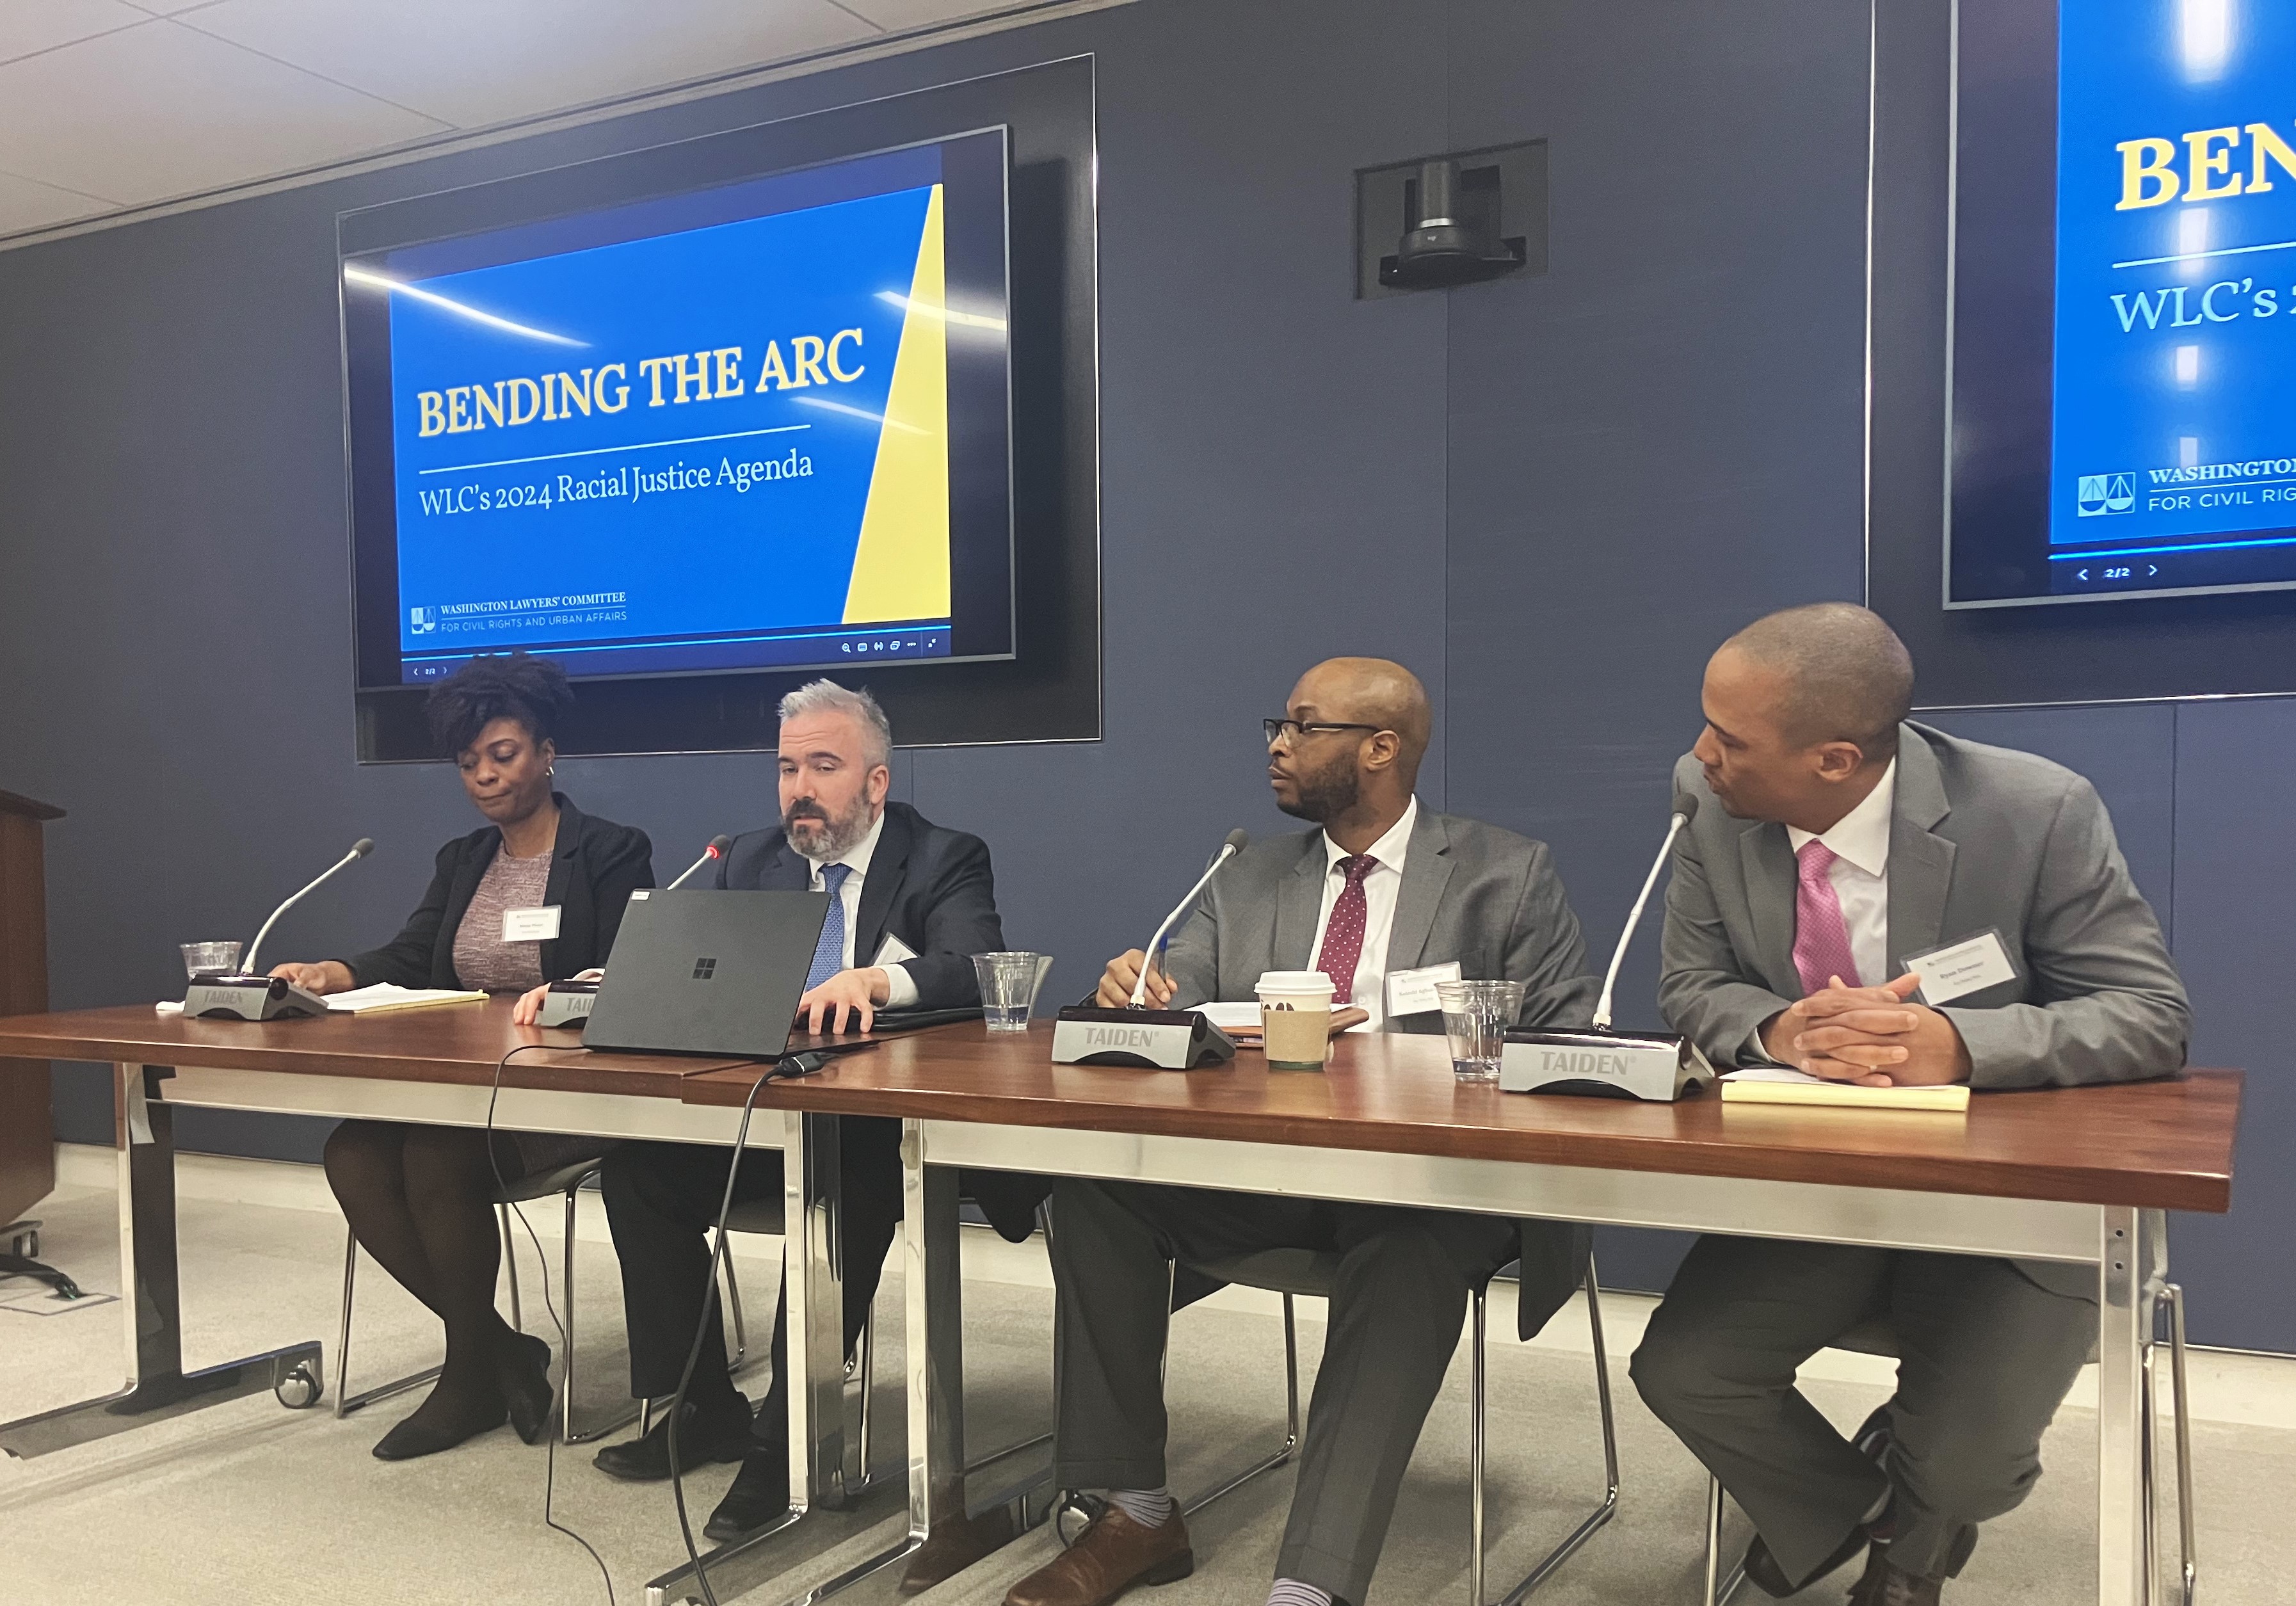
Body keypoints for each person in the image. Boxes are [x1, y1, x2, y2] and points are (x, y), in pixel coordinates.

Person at [1002, 657, 1600, 1606]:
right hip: (1265, 1173)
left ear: (1379, 748)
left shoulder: (1504, 871)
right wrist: (1138, 991)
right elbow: (1178, 1006)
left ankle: (1310, 1585)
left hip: (1431, 1185)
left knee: (1405, 1249)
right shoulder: (1244, 874)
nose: (1276, 746)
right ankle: (1137, 1511)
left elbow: (1571, 1042)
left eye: (1301, 727)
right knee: (1092, 1188)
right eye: (1275, 726)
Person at [1629, 604, 2190, 1606]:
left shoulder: (2033, 808)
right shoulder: (1704, 802)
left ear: (1835, 760)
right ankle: (1878, 1515)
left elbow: (2148, 1015)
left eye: (1730, 739)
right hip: (1824, 1186)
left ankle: (1922, 1518)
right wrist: (1775, 1030)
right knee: (1684, 1370)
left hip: (2006, 1200)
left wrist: (1961, 1044)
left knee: (1969, 1468)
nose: (1699, 754)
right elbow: (1693, 986)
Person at [577, 679, 1032, 1567]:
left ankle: (788, 1432)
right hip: (768, 1112)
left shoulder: (941, 854)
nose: (799, 789)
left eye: (823, 766)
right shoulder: (746, 857)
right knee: (638, 1175)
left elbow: (974, 967)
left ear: (874, 783)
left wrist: (873, 982)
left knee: (847, 1183)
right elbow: (701, 969)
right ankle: (703, 1403)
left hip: (882, 1131)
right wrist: (623, 977)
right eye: (786, 768)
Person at [269, 652, 654, 1459]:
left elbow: (630, 965)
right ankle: (496, 1347)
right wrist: (332, 972)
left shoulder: (612, 850)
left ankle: (469, 1371)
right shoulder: (462, 860)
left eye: (503, 755)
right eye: (468, 762)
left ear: (547, 753)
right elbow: (415, 954)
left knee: (436, 1156)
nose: (484, 776)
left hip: (571, 1091)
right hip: (462, 1089)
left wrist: (574, 989)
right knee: (354, 1152)